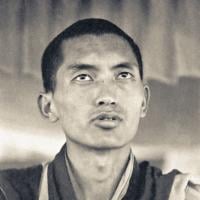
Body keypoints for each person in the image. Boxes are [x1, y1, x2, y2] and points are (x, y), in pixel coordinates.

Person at [0, 18, 199, 200]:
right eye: (84, 77)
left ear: (144, 101)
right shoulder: (9, 192)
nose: (107, 97)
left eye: (123, 75)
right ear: (48, 106)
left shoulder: (179, 195)